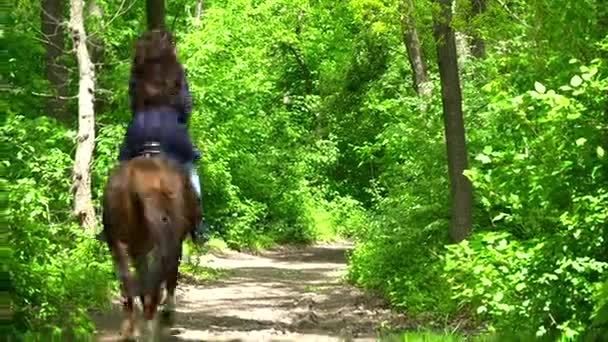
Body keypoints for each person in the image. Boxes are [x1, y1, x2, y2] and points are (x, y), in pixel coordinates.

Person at [111, 29, 206, 242]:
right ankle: (198, 226)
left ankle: (110, 223)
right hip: (171, 130)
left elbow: (133, 104)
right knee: (190, 169)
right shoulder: (177, 71)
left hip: (140, 129)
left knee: (121, 169)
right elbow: (185, 106)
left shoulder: (138, 71)